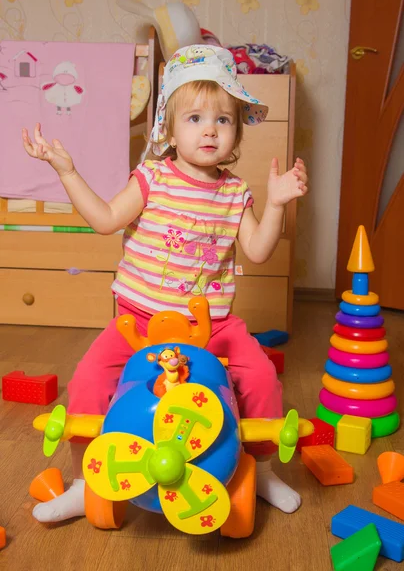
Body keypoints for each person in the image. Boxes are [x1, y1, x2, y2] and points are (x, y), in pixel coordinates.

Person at [22, 45, 308, 523]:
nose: (210, 129)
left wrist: (277, 205)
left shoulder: (235, 191)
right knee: (89, 379)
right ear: (169, 130)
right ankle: (82, 480)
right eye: (194, 118)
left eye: (224, 119)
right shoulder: (153, 177)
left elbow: (258, 250)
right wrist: (66, 172)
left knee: (260, 377)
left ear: (238, 129)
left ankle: (261, 471)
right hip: (138, 323)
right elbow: (106, 219)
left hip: (213, 325)